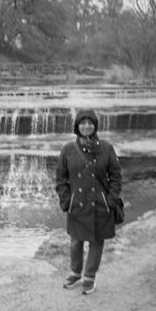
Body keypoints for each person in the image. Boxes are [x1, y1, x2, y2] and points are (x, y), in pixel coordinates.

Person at [55, 108, 122, 295]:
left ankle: (90, 276)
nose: (86, 126)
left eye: (90, 123)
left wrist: (110, 200)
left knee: (97, 242)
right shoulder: (68, 149)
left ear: (95, 125)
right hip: (77, 203)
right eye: (82, 123)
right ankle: (76, 273)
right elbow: (61, 179)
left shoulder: (106, 148)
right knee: (76, 241)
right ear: (77, 126)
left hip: (100, 203)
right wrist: (66, 202)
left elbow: (116, 176)